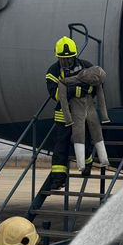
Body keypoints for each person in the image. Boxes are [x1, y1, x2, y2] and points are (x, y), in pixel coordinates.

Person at [45, 36, 99, 187]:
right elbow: (55, 94)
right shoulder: (53, 71)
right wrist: (75, 89)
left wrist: (70, 90)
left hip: (83, 114)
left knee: (84, 142)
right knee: (60, 146)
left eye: (68, 59)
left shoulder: (87, 67)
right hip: (63, 116)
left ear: (74, 56)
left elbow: (94, 88)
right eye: (62, 59)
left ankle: (87, 164)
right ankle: (58, 179)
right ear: (58, 57)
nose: (65, 62)